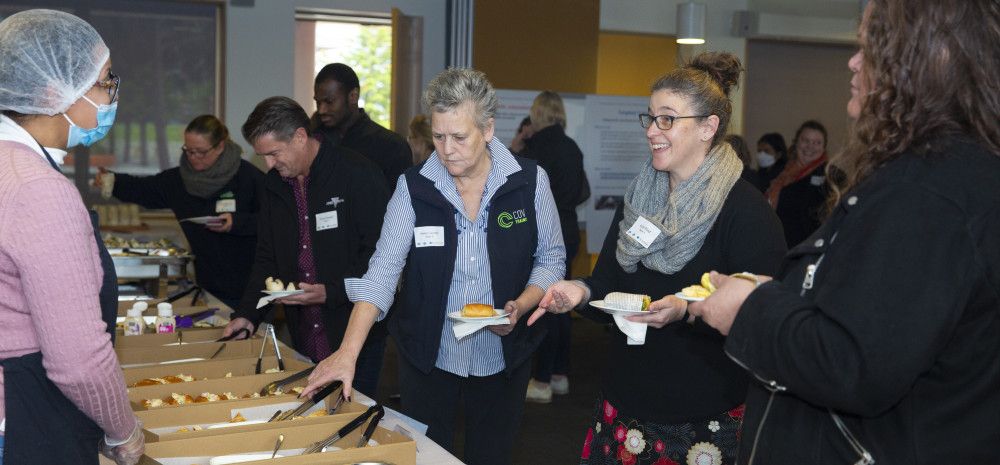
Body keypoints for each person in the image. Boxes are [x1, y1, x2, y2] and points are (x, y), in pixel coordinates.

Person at [690, 1, 1000, 463]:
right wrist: (779, 297)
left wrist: (749, 311)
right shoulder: (941, 176)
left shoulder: (926, 192)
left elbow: (854, 362)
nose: (854, 62)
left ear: (929, 59)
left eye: (870, 47)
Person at [527, 52, 787, 465]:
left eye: (667, 119)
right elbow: (608, 283)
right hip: (623, 405)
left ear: (708, 127)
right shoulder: (639, 199)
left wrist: (686, 311)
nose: (652, 131)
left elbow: (760, 321)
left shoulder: (747, 213)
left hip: (701, 419)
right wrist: (578, 291)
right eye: (650, 118)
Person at [301, 68, 566, 465]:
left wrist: (523, 304)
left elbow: (551, 258)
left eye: (459, 137)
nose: (447, 150)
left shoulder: (529, 181)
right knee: (427, 457)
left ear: (488, 129)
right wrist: (347, 352)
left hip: (502, 354)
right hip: (429, 354)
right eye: (439, 137)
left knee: (491, 454)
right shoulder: (413, 187)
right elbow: (382, 272)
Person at [0, 9, 143, 465]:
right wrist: (123, 431)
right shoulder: (38, 189)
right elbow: (78, 360)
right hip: (27, 413)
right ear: (52, 92)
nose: (111, 93)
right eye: (103, 82)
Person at [222, 96, 390, 396]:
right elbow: (266, 257)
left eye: (274, 153)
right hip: (304, 329)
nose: (269, 164)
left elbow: (380, 256)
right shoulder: (274, 185)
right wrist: (247, 314)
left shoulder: (357, 174)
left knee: (352, 413)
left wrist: (333, 291)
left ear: (300, 136)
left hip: (353, 328)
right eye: (263, 156)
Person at [95, 115, 264, 309]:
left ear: (220, 147)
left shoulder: (249, 178)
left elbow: (276, 222)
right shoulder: (178, 180)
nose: (193, 157)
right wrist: (113, 180)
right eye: (188, 150)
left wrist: (238, 223)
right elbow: (143, 189)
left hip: (250, 288)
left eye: (201, 152)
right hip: (208, 286)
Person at [519, 90, 588, 403]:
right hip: (569, 231)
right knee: (562, 304)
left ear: (537, 113)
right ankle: (559, 374)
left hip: (542, 234)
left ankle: (542, 379)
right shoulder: (572, 148)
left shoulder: (536, 148)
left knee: (544, 306)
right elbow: (581, 191)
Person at [311, 63, 412, 189]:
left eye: (329, 102)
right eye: (318, 102)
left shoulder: (392, 146)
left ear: (353, 96)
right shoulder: (314, 141)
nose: (321, 110)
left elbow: (402, 198)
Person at [765, 120, 829, 247]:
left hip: (809, 249)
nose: (810, 146)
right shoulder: (781, 171)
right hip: (777, 245)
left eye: (817, 143)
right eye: (805, 140)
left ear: (824, 147)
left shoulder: (831, 176)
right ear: (796, 142)